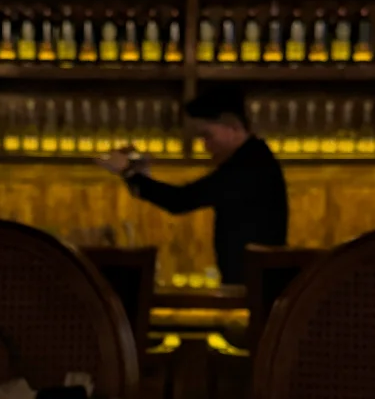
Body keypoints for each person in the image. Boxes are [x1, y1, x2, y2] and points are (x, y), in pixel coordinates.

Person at [100, 82, 288, 284]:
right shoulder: (253, 158)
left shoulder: (248, 165)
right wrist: (137, 176)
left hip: (255, 287)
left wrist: (128, 172)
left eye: (208, 136)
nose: (205, 145)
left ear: (233, 127)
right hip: (254, 284)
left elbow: (180, 200)